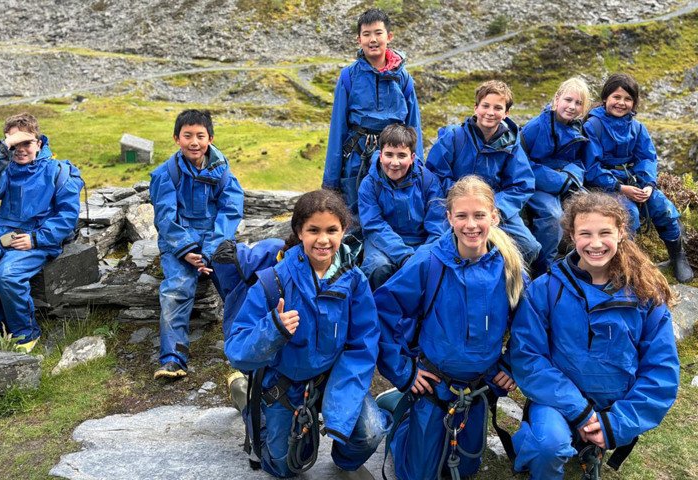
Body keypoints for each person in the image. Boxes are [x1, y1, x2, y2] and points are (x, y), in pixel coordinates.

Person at [510, 192, 680, 479]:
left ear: (621, 232)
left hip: (615, 408)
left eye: (605, 233)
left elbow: (661, 371)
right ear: (571, 235)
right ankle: (560, 442)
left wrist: (617, 423)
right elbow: (527, 356)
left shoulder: (646, 294)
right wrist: (581, 412)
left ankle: (593, 442)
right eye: (585, 233)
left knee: (587, 435)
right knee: (547, 446)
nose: (596, 243)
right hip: (559, 402)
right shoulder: (545, 289)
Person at [225, 189, 390, 478]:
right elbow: (237, 349)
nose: (323, 240)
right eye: (313, 230)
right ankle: (246, 399)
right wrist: (273, 329)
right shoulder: (272, 282)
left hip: (334, 376)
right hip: (286, 383)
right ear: (299, 231)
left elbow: (363, 345)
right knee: (283, 467)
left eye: (332, 230)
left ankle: (346, 462)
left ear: (344, 231)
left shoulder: (354, 282)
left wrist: (341, 408)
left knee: (370, 432)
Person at [374, 175, 525, 479]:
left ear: (494, 216)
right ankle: (401, 413)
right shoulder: (428, 262)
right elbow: (382, 310)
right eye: (462, 216)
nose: (471, 224)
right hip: (433, 384)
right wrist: (404, 370)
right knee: (417, 474)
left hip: (480, 387)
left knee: (465, 468)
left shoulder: (509, 267)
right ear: (449, 218)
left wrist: (509, 366)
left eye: (479, 215)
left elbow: (529, 324)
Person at [0, 113, 82, 353]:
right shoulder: (7, 170)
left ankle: (25, 334)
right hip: (1, 234)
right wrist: (3, 148)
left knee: (6, 274)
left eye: (25, 142)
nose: (20, 149)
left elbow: (67, 217)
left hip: (37, 237)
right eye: (13, 144)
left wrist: (36, 239)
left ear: (39, 143)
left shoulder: (60, 171)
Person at [150, 109, 243, 379]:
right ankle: (173, 358)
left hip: (216, 237)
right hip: (178, 241)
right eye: (187, 135)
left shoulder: (222, 171)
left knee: (235, 285)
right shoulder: (166, 174)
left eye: (200, 136)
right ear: (176, 139)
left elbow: (231, 210)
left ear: (210, 138)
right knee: (176, 289)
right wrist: (188, 251)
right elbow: (165, 217)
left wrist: (212, 250)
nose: (194, 142)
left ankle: (243, 351)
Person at [584, 73, 693, 282]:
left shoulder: (637, 127)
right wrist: (620, 188)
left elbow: (647, 157)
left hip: (635, 181)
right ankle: (626, 262)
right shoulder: (593, 126)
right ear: (605, 98)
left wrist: (648, 184)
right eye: (616, 97)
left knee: (663, 207)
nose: (621, 103)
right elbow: (591, 167)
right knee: (629, 214)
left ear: (634, 103)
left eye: (627, 99)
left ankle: (677, 256)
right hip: (608, 186)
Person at [322, 7, 423, 224]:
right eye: (367, 34)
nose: (373, 39)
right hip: (356, 157)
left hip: (394, 154)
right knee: (354, 219)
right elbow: (338, 128)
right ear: (359, 39)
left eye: (378, 33)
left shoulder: (403, 79)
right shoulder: (349, 76)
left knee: (393, 214)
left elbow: (413, 125)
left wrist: (419, 170)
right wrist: (330, 184)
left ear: (389, 36)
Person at [425, 80, 541, 264]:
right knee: (438, 245)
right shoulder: (454, 137)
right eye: (485, 105)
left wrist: (496, 210)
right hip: (453, 205)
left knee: (530, 247)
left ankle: (504, 281)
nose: (490, 112)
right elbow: (435, 174)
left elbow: (521, 185)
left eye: (497, 107)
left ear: (506, 113)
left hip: (494, 208)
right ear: (475, 107)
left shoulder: (511, 145)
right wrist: (458, 199)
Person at [358, 124, 445, 290]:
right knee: (378, 267)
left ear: (412, 157)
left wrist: (424, 255)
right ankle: (380, 312)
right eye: (389, 155)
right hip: (381, 243)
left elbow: (438, 224)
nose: (394, 162)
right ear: (380, 155)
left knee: (434, 268)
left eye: (401, 156)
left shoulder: (428, 181)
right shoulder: (368, 185)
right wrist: (404, 255)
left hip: (422, 242)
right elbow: (374, 226)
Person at [521, 77, 591, 274]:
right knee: (553, 215)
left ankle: (584, 260)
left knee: (591, 206)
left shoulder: (576, 127)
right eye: (568, 100)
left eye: (578, 103)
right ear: (557, 99)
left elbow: (578, 161)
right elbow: (523, 164)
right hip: (537, 185)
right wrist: (560, 181)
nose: (572, 106)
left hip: (564, 181)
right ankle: (543, 268)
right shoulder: (536, 127)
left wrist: (572, 177)